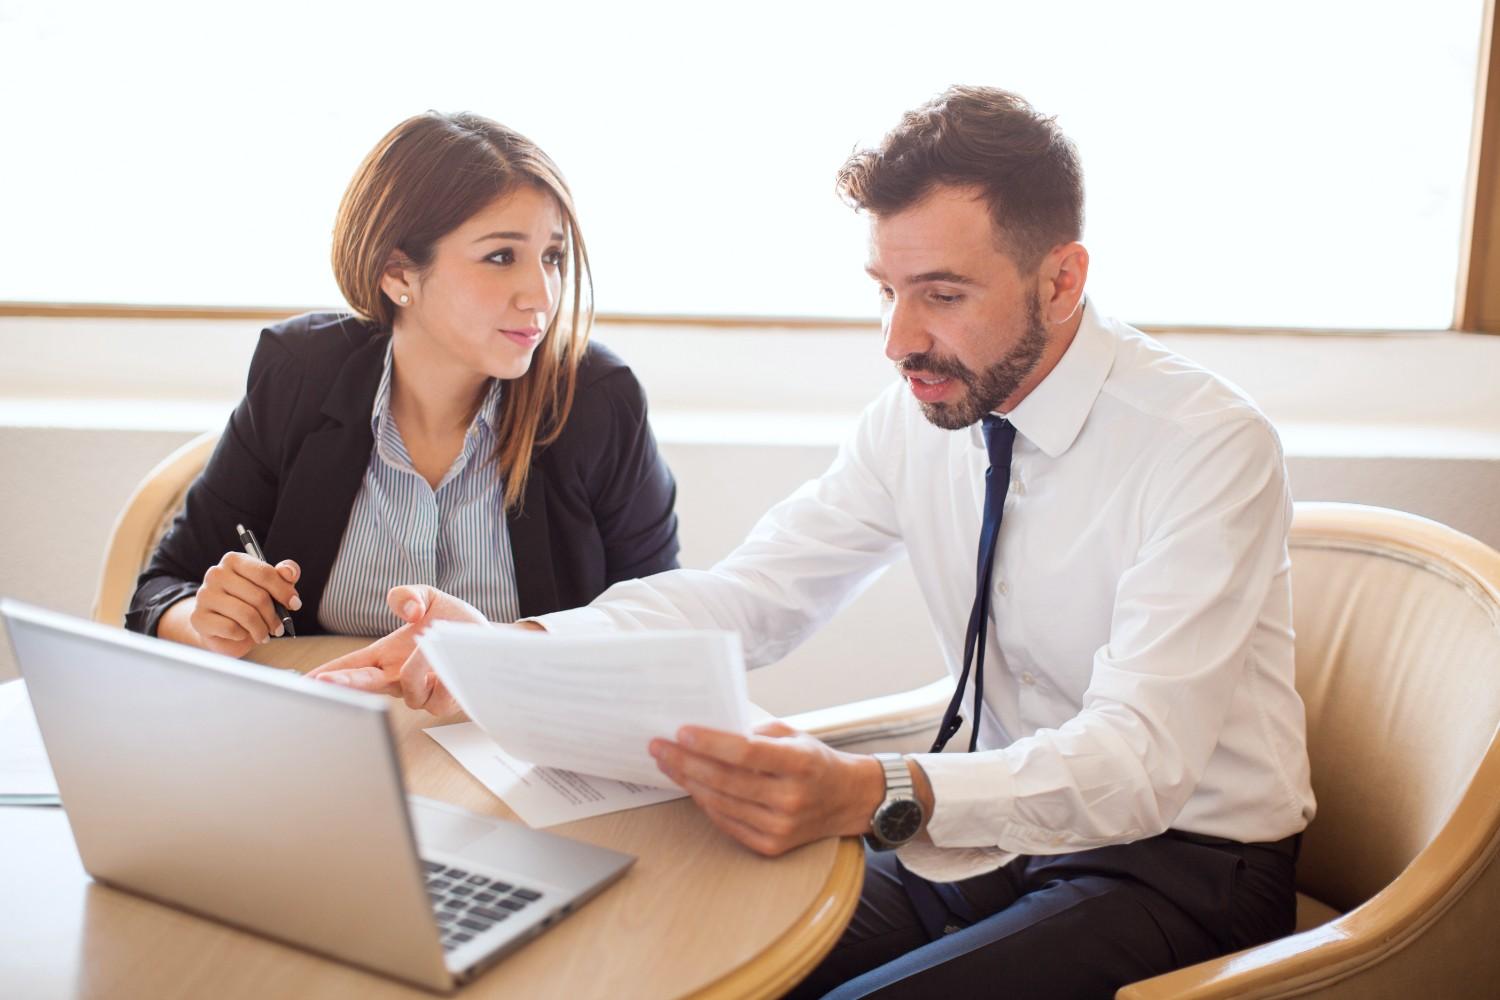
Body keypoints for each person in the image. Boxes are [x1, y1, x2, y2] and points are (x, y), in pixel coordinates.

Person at [317, 87, 1315, 997]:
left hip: (1184, 860)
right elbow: (752, 597)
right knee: (698, 961)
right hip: (992, 832)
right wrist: (512, 649)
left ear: (1062, 281)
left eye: (942, 294)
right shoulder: (918, 417)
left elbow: (1138, 761)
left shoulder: (1204, 445)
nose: (897, 338)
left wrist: (877, 790)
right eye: (886, 290)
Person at [126, 112, 680, 673]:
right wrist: (205, 619)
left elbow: (665, 629)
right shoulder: (299, 372)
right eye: (500, 256)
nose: (541, 295)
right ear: (397, 274)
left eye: (553, 257)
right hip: (331, 733)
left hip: (515, 744)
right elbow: (159, 592)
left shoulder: (598, 401)